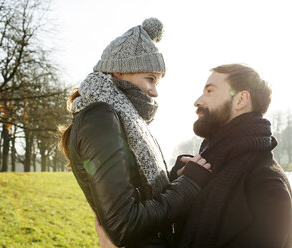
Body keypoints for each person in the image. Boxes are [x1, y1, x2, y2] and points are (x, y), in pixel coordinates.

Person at [59, 18, 212, 248]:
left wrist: (174, 177)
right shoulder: (100, 117)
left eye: (158, 82)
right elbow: (125, 223)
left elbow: (135, 192)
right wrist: (189, 184)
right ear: (120, 72)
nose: (155, 92)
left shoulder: (123, 119)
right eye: (150, 79)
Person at [173, 64, 292, 248]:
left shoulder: (267, 184)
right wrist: (178, 186)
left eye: (210, 91)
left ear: (240, 100)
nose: (198, 101)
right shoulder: (207, 169)